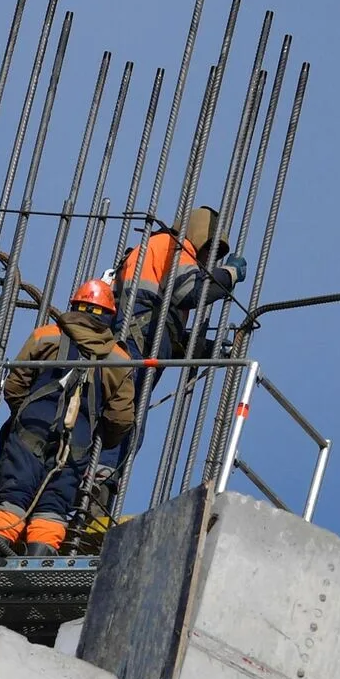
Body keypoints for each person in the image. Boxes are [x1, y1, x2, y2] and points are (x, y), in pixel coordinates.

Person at [92, 205, 249, 485]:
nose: (207, 261)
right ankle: (100, 475)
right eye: (208, 251)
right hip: (135, 338)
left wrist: (207, 350)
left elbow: (168, 336)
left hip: (139, 337)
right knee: (124, 411)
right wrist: (228, 274)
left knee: (127, 413)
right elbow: (189, 293)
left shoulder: (162, 256)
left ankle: (102, 480)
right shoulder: (173, 246)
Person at [0, 280, 136, 554]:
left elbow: (15, 385)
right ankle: (38, 558)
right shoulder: (120, 359)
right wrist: (102, 437)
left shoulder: (45, 335)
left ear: (75, 305)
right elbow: (121, 418)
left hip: (33, 424)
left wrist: (25, 415)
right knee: (55, 499)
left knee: (15, 488)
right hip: (77, 437)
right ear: (109, 316)